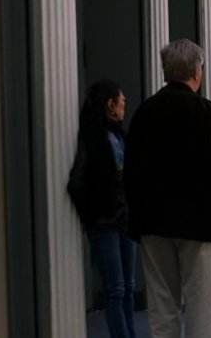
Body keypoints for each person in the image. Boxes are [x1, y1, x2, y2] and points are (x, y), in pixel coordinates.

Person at [125, 39, 211, 338]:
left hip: (153, 222)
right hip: (200, 225)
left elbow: (132, 172)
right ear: (195, 70)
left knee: (162, 309)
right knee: (202, 309)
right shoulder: (204, 111)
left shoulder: (144, 113)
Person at [67, 80, 137, 338]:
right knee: (117, 289)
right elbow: (76, 182)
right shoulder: (95, 138)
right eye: (122, 102)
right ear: (111, 105)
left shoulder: (116, 136)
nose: (123, 106)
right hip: (106, 223)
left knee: (125, 287)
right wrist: (92, 216)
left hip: (121, 221)